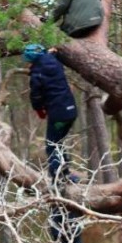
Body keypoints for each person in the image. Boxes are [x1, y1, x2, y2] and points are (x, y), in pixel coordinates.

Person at [23, 44, 79, 182]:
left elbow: (36, 97)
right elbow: (50, 55)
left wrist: (39, 110)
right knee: (58, 142)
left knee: (52, 145)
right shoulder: (54, 61)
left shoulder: (37, 74)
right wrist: (51, 52)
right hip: (71, 111)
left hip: (58, 114)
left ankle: (58, 178)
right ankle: (65, 174)